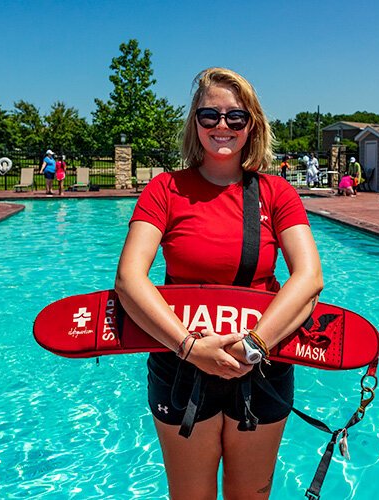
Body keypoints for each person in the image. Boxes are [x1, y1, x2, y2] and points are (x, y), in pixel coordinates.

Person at [115, 67, 323, 499]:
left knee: (251, 494)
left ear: (252, 125)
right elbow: (129, 279)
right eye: (209, 116)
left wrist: (253, 345)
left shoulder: (276, 193)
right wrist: (190, 347)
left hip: (262, 363)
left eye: (235, 117)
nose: (222, 126)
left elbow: (309, 278)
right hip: (180, 365)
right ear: (195, 123)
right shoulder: (165, 189)